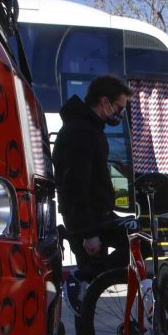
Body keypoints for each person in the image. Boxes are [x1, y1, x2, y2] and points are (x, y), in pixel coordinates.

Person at [53, 75, 135, 302]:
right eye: (119, 107)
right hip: (89, 222)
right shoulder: (82, 132)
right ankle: (80, 277)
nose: (121, 113)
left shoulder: (88, 128)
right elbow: (75, 186)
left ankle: (85, 279)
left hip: (95, 218)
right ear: (104, 101)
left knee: (139, 239)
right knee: (141, 241)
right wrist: (89, 233)